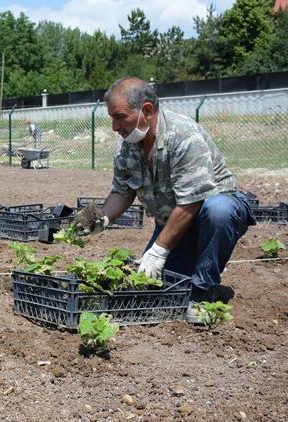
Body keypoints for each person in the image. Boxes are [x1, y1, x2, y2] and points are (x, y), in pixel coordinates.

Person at [76, 77, 255, 321]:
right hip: (175, 222)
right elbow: (122, 192)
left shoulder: (183, 136)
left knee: (218, 211)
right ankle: (186, 271)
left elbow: (192, 201)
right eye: (112, 118)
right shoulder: (127, 147)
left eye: (119, 116)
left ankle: (203, 294)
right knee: (154, 290)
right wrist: (99, 219)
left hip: (211, 214)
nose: (114, 127)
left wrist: (158, 251)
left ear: (147, 111)